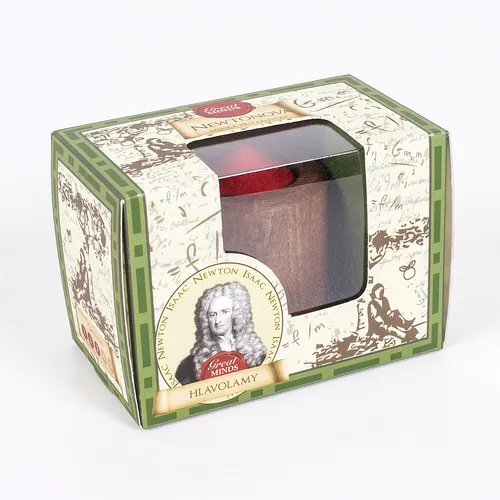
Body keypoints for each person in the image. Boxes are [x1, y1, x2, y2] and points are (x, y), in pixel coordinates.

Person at [175, 282, 267, 385]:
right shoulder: (188, 366)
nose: (217, 320)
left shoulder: (258, 355)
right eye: (212, 315)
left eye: (224, 312)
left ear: (237, 314)